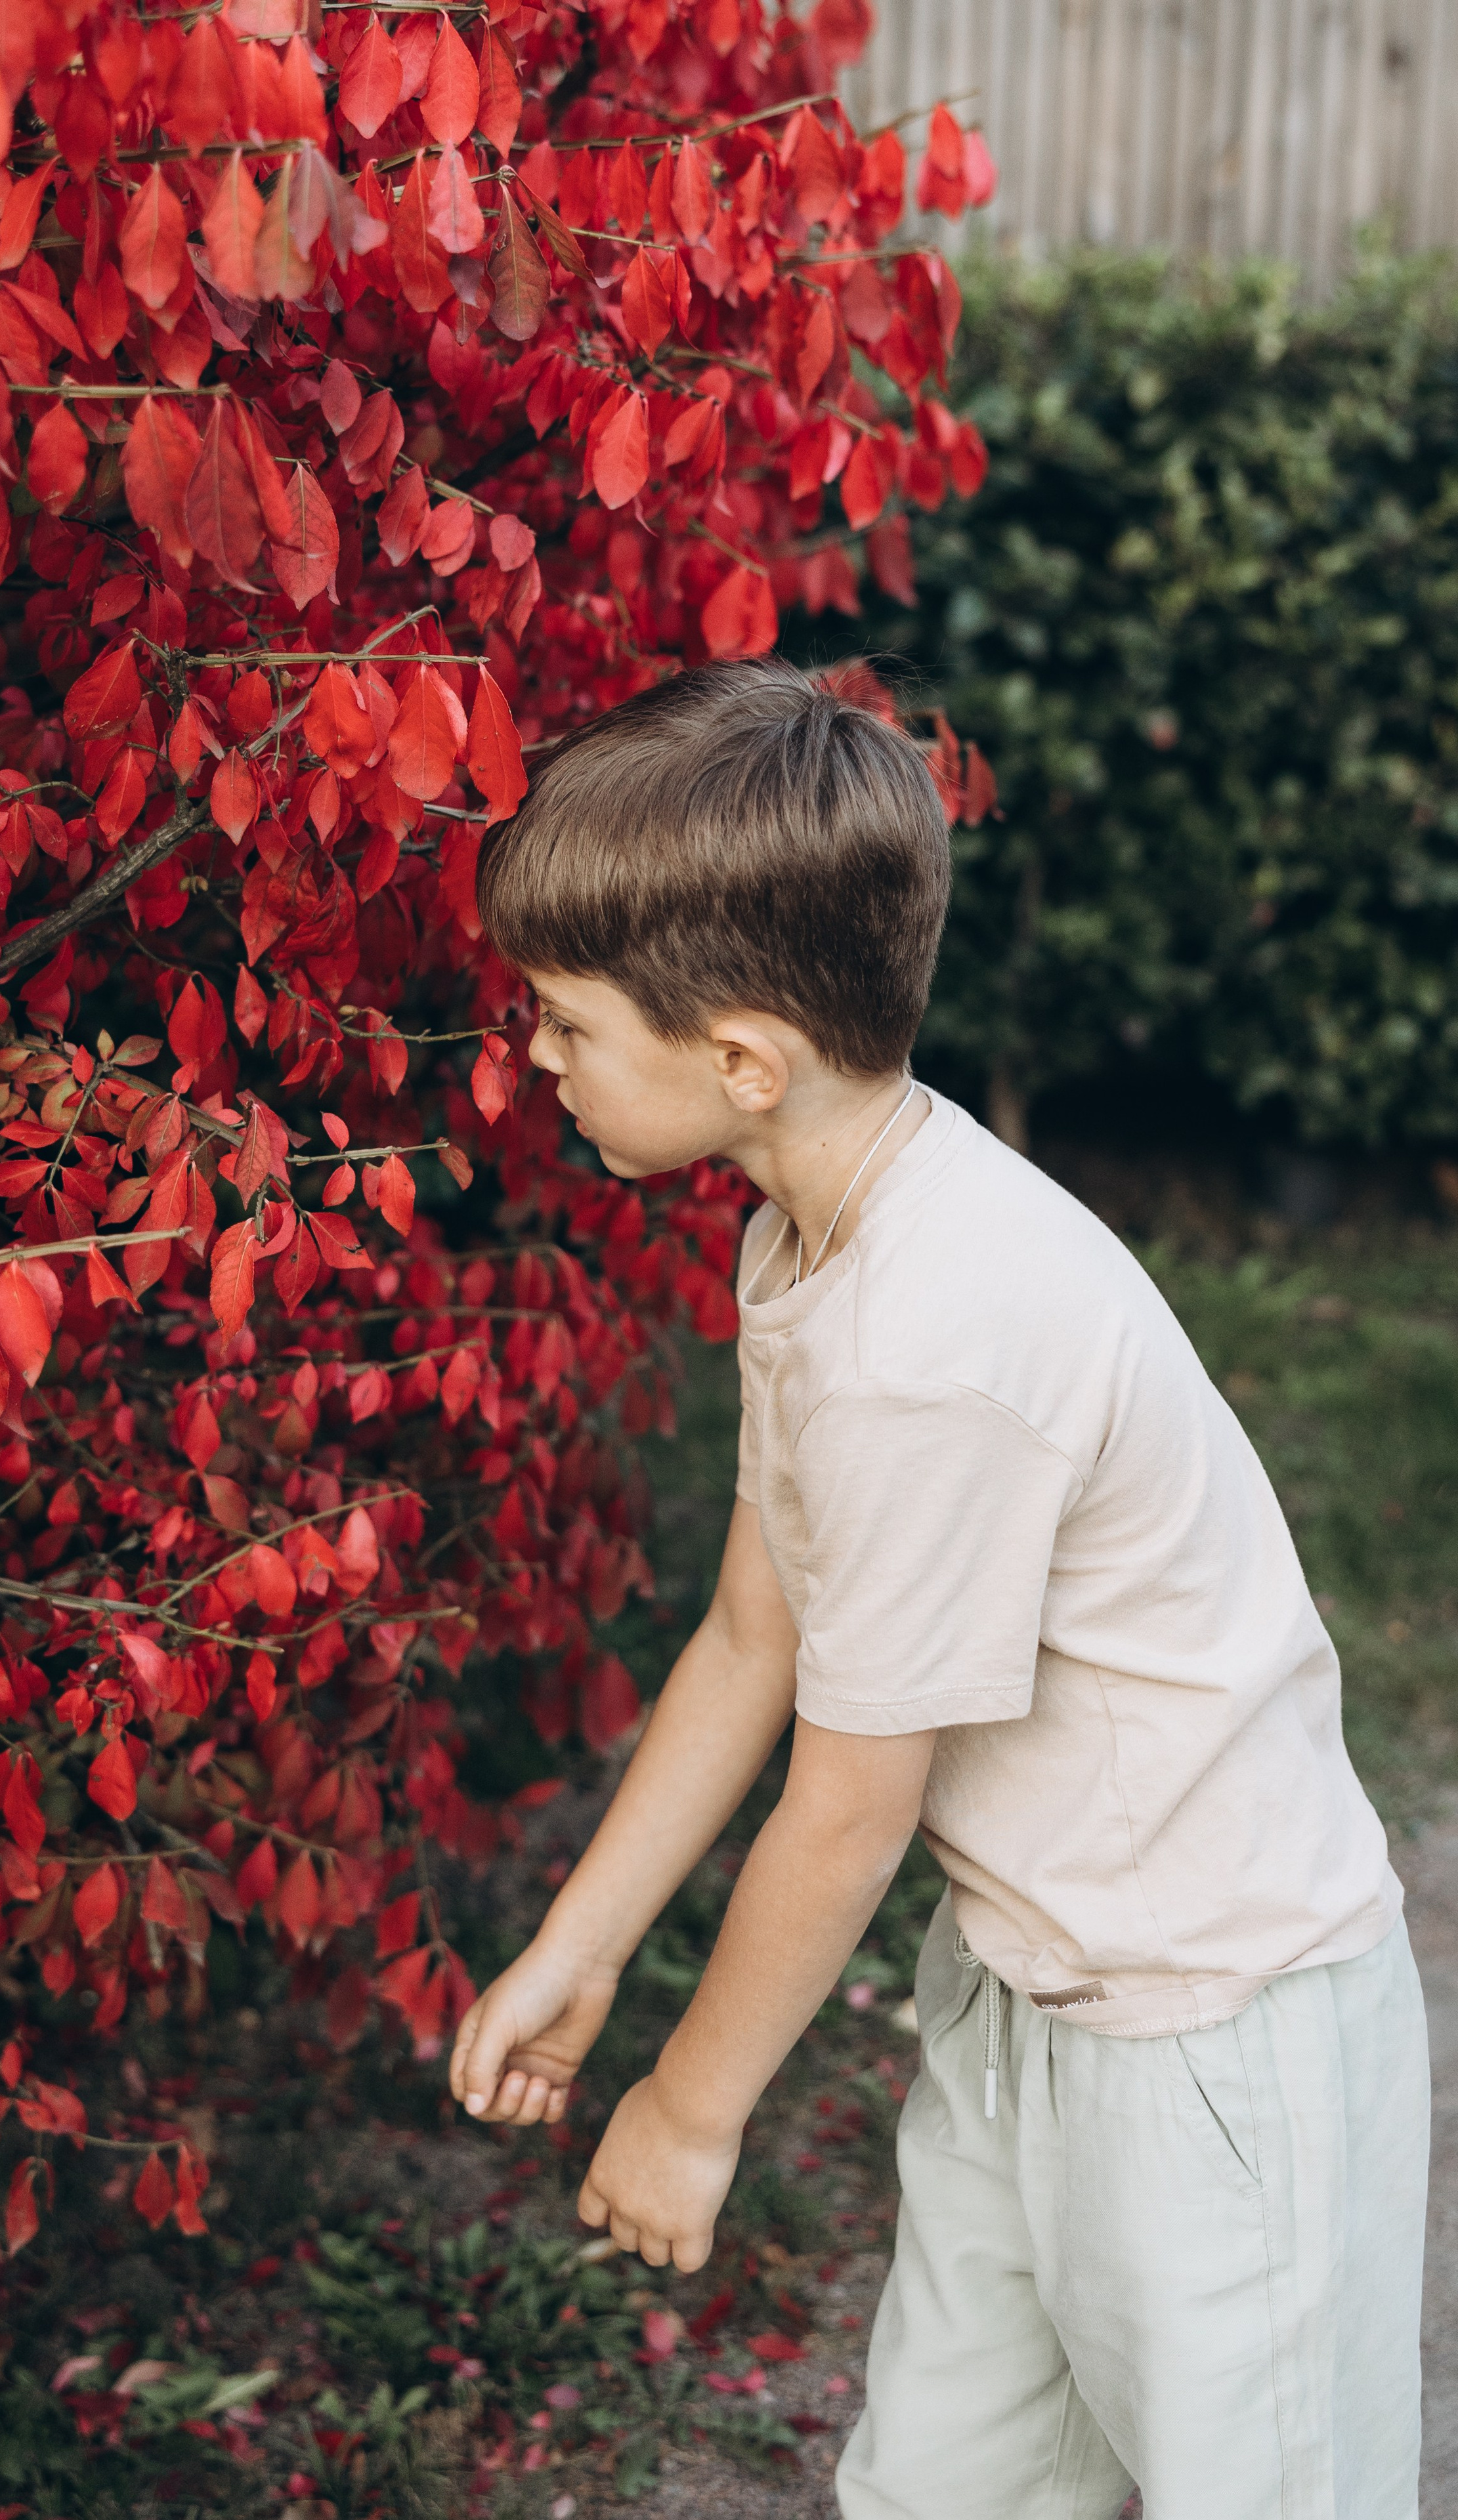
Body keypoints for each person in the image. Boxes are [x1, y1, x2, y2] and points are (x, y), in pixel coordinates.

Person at [447, 657, 1429, 2520]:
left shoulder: (936, 1333)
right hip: (1021, 1994)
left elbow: (852, 1803)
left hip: (1216, 2048)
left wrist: (690, 2107)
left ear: (741, 1057)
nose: (541, 1062)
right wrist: (581, 1950)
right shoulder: (812, 1230)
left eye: (565, 1023)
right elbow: (757, 1631)